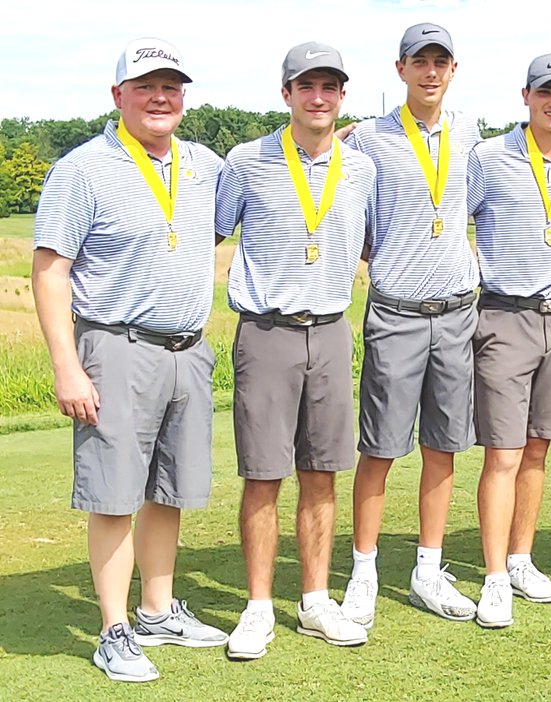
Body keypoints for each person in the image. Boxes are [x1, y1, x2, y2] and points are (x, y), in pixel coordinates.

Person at [32, 37, 227, 683]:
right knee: (115, 496)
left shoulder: (202, 163)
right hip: (115, 348)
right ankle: (113, 629)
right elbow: (51, 271)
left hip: (185, 349)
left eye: (171, 85)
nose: (160, 97)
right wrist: (67, 366)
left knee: (169, 490)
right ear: (118, 96)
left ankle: (156, 609)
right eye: (146, 86)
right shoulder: (83, 168)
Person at [217, 42, 375, 659]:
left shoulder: (360, 167)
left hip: (333, 331)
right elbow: (211, 228)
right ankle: (258, 608)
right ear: (286, 94)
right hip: (266, 332)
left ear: (342, 96)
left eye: (330, 87)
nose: (318, 97)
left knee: (322, 472)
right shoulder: (247, 160)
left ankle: (314, 600)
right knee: (263, 475)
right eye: (306, 86)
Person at [339, 22, 483, 626]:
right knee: (380, 449)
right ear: (400, 69)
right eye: (419, 61)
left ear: (453, 70)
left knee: (442, 448)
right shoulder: (369, 139)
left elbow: (468, 206)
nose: (430, 72)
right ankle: (363, 573)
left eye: (440, 62)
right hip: (395, 314)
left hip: (455, 312)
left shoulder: (470, 133)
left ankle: (428, 568)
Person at [466, 54, 551, 627]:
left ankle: (521, 558)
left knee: (538, 446)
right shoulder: (488, 158)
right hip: (505, 316)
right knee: (503, 452)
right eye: (545, 91)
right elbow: (443, 210)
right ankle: (494, 576)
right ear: (525, 96)